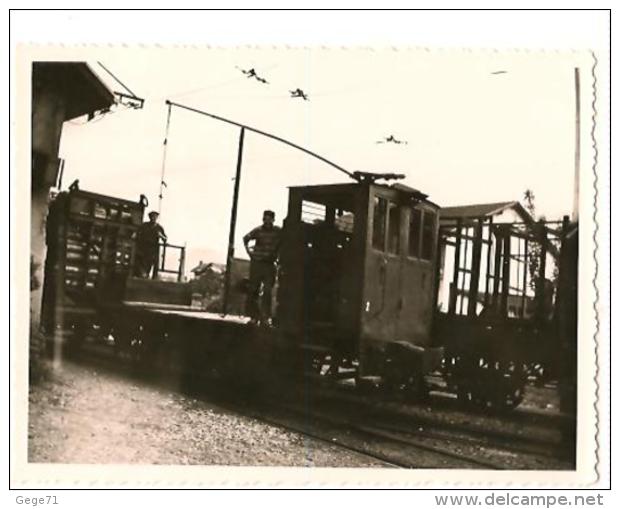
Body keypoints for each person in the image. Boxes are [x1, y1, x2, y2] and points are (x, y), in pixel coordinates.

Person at [243, 210, 282, 325]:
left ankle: (265, 317)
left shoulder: (278, 231)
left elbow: (285, 240)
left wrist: (278, 255)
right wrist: (249, 253)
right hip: (257, 264)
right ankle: (254, 317)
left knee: (267, 291)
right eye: (265, 219)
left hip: (269, 264)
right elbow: (245, 238)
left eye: (269, 219)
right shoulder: (258, 230)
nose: (267, 221)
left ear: (273, 220)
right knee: (253, 290)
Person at [134, 211, 167, 279]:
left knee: (151, 264)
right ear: (150, 217)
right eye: (152, 216)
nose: (154, 218)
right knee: (141, 263)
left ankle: (150, 277)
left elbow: (165, 238)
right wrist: (135, 235)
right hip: (143, 248)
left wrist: (161, 236)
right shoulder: (144, 225)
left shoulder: (159, 227)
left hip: (153, 250)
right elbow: (137, 232)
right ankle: (142, 275)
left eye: (155, 216)